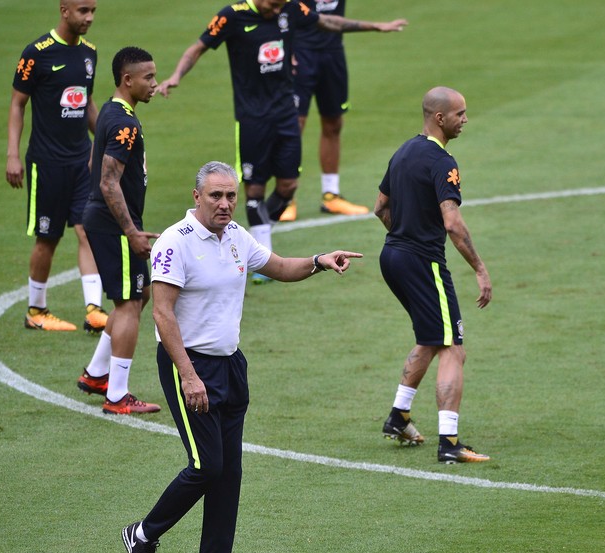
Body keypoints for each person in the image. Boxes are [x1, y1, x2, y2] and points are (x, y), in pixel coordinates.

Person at [121, 160, 361, 553]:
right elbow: (161, 313)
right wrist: (189, 377)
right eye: (216, 195)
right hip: (188, 365)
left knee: (229, 470)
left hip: (231, 364)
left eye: (231, 195)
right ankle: (142, 535)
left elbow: (281, 267)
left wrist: (319, 261)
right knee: (206, 464)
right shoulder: (175, 243)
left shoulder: (235, 236)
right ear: (197, 197)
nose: (226, 203)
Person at [155, 0, 405, 283]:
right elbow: (198, 47)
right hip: (252, 119)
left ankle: (257, 241)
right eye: (272, 6)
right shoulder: (232, 16)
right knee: (255, 190)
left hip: (286, 113)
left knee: (288, 186)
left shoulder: (290, 8)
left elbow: (329, 22)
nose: (277, 11)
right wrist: (176, 75)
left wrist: (375, 27)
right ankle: (262, 260)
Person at [375, 87, 493, 464]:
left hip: (391, 256)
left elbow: (380, 207)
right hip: (422, 262)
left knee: (430, 337)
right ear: (439, 118)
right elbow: (453, 224)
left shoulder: (403, 151)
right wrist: (479, 268)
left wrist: (403, 235)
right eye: (460, 113)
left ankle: (398, 416)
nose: (465, 119)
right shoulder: (443, 162)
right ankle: (450, 442)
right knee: (453, 347)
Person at [7, 0, 109, 333]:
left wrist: (106, 143)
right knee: (47, 238)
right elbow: (17, 104)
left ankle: (94, 308)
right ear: (64, 10)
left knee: (86, 229)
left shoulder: (89, 53)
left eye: (93, 11)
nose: (90, 18)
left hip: (83, 162)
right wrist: (12, 154)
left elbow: (88, 102)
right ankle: (36, 310)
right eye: (83, 11)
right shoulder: (36, 53)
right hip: (47, 163)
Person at [76, 47, 162, 415]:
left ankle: (97, 374)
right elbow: (109, 181)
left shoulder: (112, 112)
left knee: (138, 296)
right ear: (127, 80)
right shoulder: (124, 122)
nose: (155, 85)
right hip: (115, 225)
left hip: (107, 221)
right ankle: (117, 396)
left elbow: (98, 164)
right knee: (129, 304)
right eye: (148, 78)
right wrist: (130, 230)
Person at [292, 1, 407, 219]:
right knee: (294, 126)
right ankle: (287, 198)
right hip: (299, 52)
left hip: (333, 52)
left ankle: (331, 195)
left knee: (333, 123)